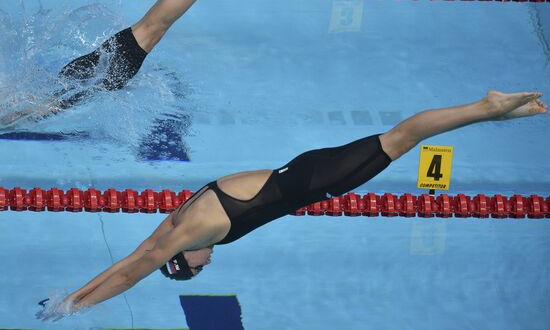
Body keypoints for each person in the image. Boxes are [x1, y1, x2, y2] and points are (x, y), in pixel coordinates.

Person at [36, 90, 547, 321]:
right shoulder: (173, 226)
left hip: (312, 181)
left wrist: (76, 308)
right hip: (301, 171)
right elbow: (124, 263)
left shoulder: (182, 238)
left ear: (181, 260)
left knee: (403, 136)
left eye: (194, 271)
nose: (206, 263)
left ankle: (486, 107)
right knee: (397, 139)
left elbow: (130, 274)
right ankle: (495, 113)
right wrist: (71, 298)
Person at [0, 0, 264, 128]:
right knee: (152, 28)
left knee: (152, 29)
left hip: (92, 78)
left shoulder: (26, 107)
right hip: (78, 77)